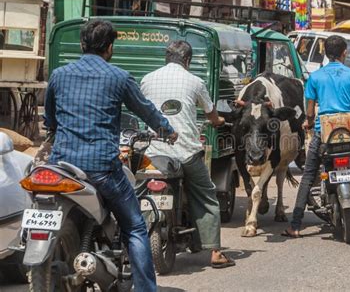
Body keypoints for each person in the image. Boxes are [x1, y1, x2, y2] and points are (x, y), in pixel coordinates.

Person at [44, 19, 178, 291]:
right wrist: (167, 130)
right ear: (109, 47)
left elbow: (50, 119)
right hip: (102, 169)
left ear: (83, 44)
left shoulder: (58, 75)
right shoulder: (118, 77)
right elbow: (146, 110)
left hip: (61, 166)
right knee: (136, 227)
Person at [140, 40, 235, 269]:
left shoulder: (147, 79)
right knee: (206, 195)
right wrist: (219, 121)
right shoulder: (195, 81)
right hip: (186, 153)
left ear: (166, 58)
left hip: (153, 153)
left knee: (138, 194)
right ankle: (215, 252)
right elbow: (211, 115)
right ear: (188, 61)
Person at [283, 35, 350, 238]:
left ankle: (295, 226)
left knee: (308, 177)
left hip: (325, 134)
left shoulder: (315, 77)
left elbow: (310, 113)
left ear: (325, 53)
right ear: (344, 52)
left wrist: (309, 123)